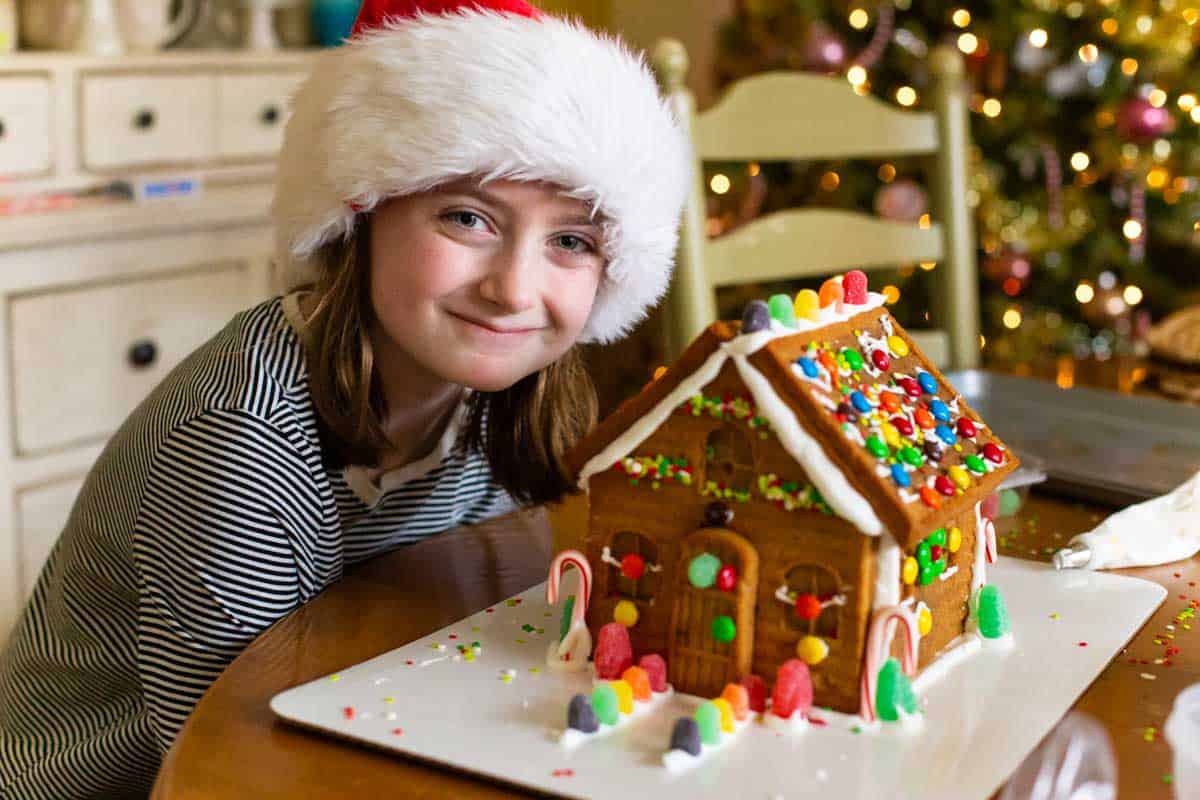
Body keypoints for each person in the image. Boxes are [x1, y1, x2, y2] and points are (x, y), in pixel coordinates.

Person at [0, 1, 690, 797]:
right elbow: (239, 762)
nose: (513, 290)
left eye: (571, 241)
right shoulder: (241, 442)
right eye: (467, 218)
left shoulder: (487, 389)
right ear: (360, 213)